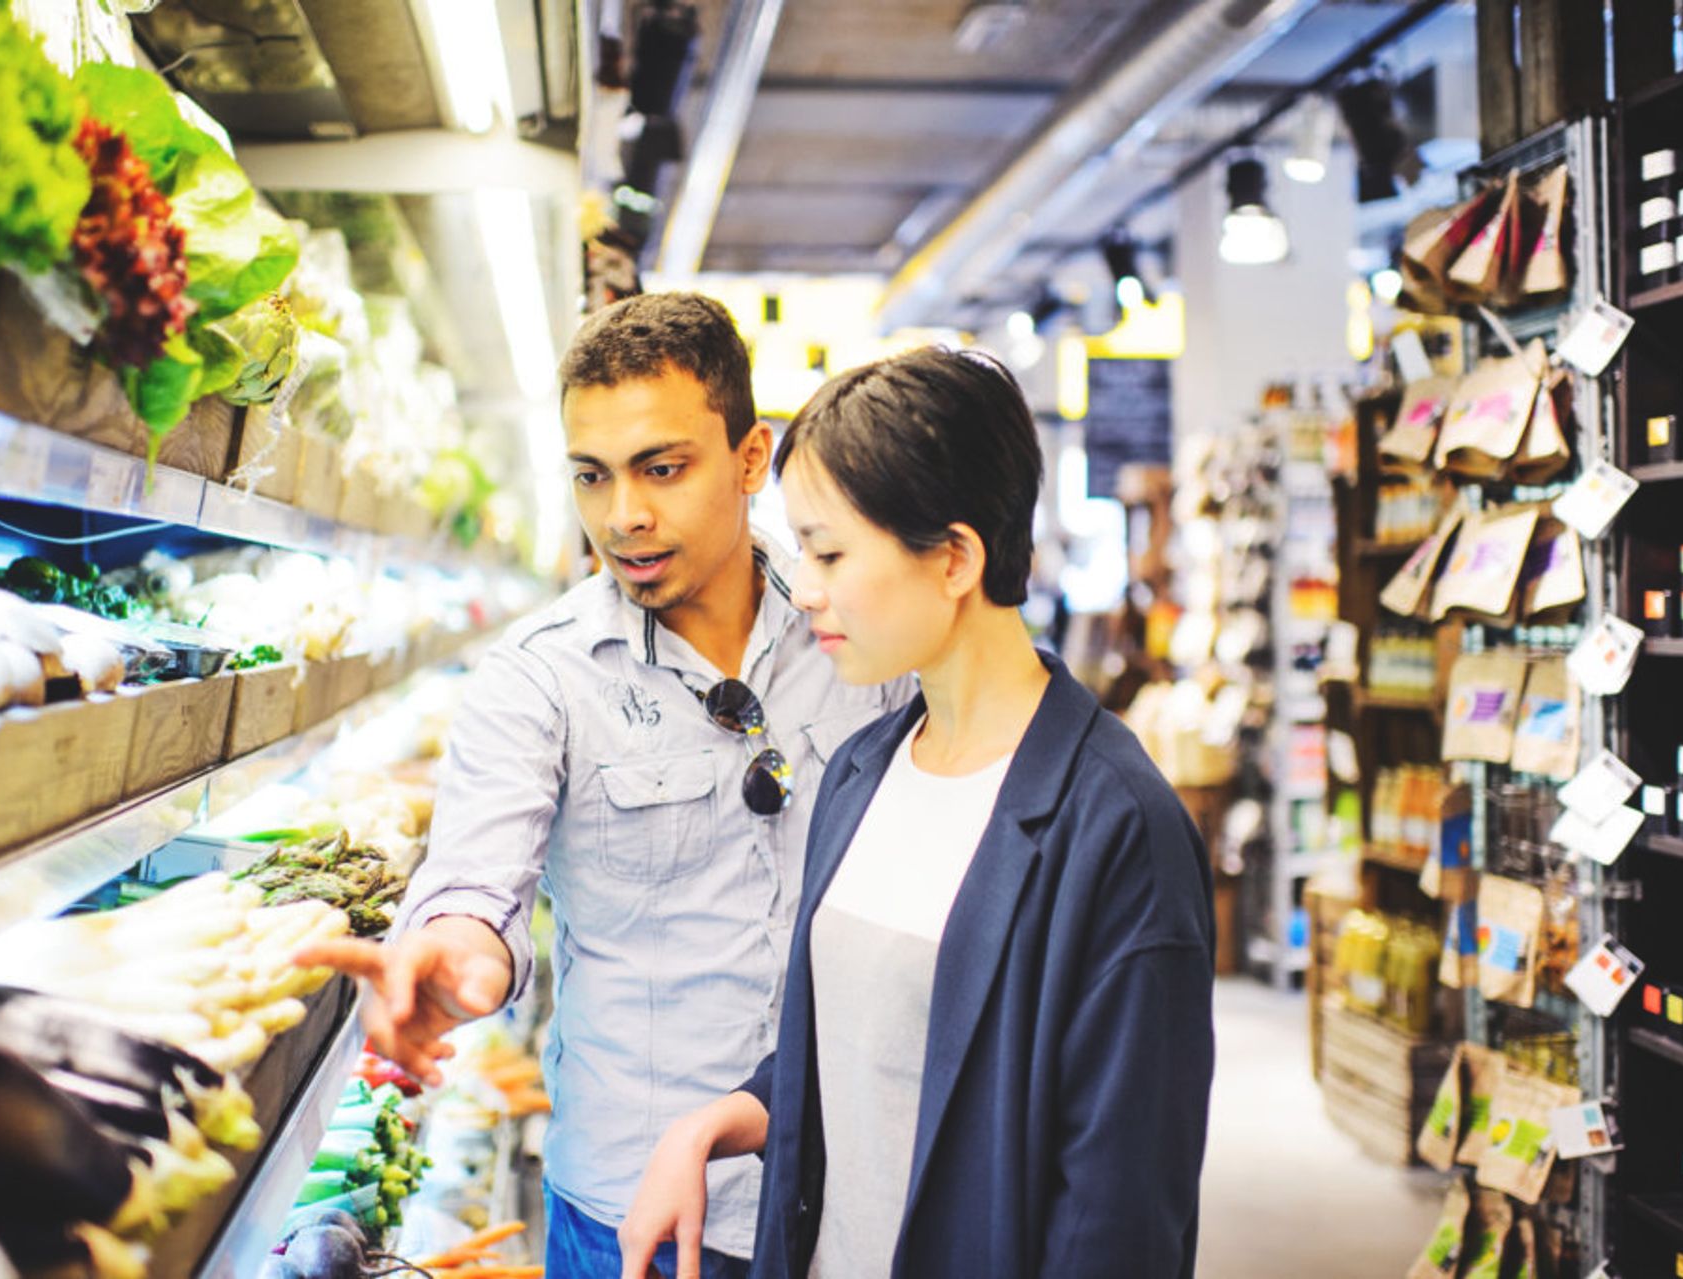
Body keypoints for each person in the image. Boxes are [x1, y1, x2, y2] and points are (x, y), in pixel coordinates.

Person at [297, 292, 910, 1279]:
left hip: (858, 1190)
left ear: (751, 458)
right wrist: (456, 958)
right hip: (638, 1223)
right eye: (593, 476)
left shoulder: (866, 635)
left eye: (662, 469)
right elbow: (475, 877)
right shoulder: (538, 676)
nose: (623, 514)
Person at [618, 347, 1216, 1279]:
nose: (803, 586)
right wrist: (719, 1119)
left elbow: (1121, 1219)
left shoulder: (1117, 831)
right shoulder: (864, 770)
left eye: (828, 551)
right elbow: (874, 1047)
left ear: (954, 557)